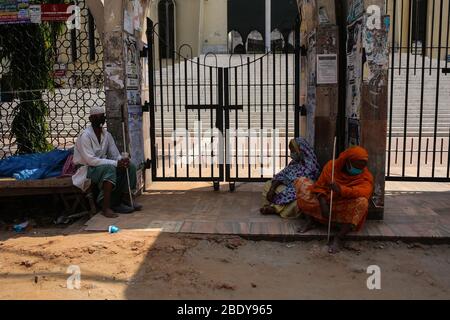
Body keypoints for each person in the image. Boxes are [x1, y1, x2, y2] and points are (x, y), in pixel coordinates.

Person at [295, 146, 373, 253]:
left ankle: (339, 237)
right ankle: (310, 221)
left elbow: (364, 192)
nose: (359, 170)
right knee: (301, 182)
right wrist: (323, 203)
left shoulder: (365, 175)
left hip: (343, 205)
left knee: (362, 202)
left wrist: (341, 189)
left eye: (362, 167)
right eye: (356, 166)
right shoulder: (331, 166)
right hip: (325, 202)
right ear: (347, 162)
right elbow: (319, 186)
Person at [72, 106, 142, 218]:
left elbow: (114, 155)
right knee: (109, 169)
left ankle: (126, 199)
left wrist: (122, 160)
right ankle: (106, 207)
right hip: (87, 168)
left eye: (101, 117)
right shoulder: (85, 136)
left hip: (100, 166)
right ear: (90, 119)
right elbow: (90, 160)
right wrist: (115, 163)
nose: (99, 119)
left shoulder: (107, 135)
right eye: (96, 117)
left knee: (130, 166)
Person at [260, 137, 320, 219]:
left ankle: (275, 208)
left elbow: (301, 188)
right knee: (268, 185)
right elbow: (281, 175)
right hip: (287, 189)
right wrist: (272, 189)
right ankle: (276, 206)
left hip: (297, 193)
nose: (291, 154)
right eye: (291, 151)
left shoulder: (311, 167)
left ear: (301, 150)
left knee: (297, 203)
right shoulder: (294, 163)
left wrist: (282, 196)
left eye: (293, 151)